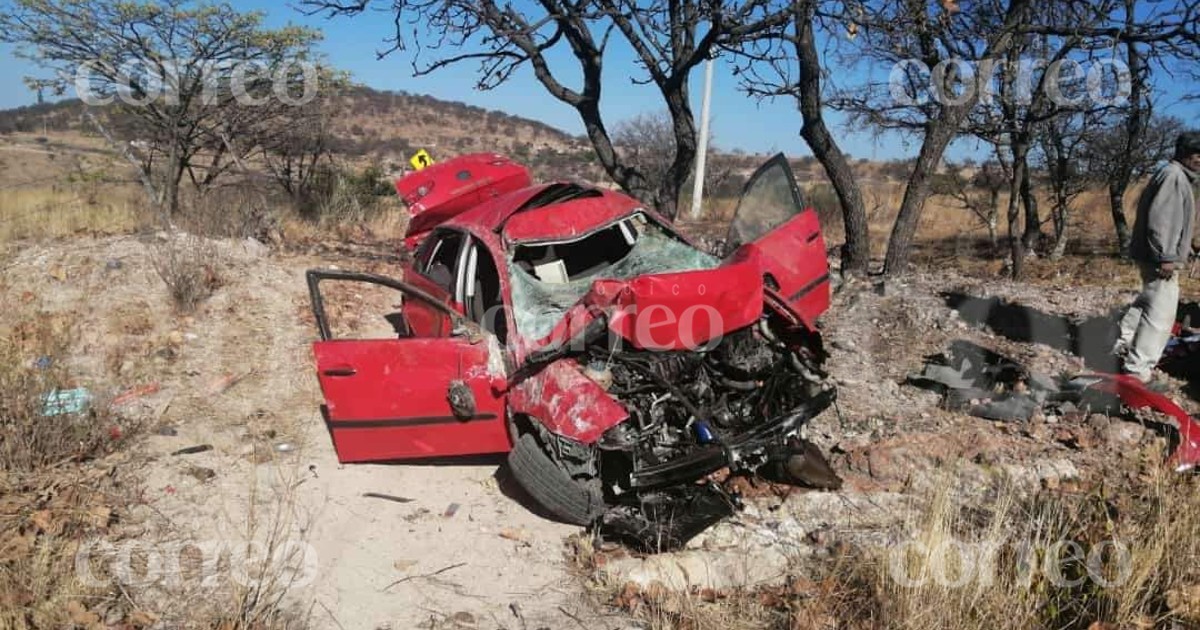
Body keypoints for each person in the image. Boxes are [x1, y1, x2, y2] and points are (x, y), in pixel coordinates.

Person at [1115, 131, 1200, 385]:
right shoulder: (1174, 177)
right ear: (1185, 154)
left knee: (1147, 301)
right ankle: (1137, 370)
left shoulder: (1173, 175)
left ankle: (1123, 343)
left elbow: (1171, 220)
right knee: (1161, 316)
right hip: (1159, 258)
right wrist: (1166, 256)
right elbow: (1160, 222)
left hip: (1155, 255)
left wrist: (1186, 245)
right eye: (1198, 155)